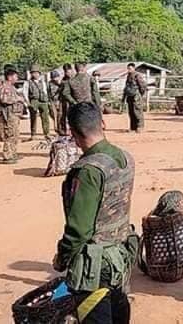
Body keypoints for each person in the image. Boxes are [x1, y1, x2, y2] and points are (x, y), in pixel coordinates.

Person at [53, 102, 137, 324]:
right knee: (119, 312)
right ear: (103, 123)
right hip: (120, 256)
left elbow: (79, 230)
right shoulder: (125, 157)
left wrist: (62, 257)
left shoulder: (88, 171)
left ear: (73, 134)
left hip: (95, 267)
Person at [0, 67, 25, 163]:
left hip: (14, 115)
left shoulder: (11, 87)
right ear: (10, 77)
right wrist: (18, 99)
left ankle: (13, 153)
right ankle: (7, 155)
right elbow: (4, 99)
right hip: (9, 115)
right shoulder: (5, 87)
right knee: (10, 134)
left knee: (15, 134)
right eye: (15, 76)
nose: (17, 78)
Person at [26, 65, 51, 141]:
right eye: (33, 73)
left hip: (43, 101)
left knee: (45, 118)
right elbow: (25, 93)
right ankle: (33, 134)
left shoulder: (43, 82)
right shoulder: (28, 82)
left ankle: (47, 134)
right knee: (33, 118)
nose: (35, 74)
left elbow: (46, 91)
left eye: (37, 73)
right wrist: (27, 103)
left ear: (39, 73)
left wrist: (47, 100)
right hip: (34, 100)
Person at [122, 63, 147, 133]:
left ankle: (140, 127)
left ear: (134, 68)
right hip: (129, 96)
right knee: (131, 112)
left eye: (130, 68)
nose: (129, 70)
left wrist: (140, 94)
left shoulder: (137, 75)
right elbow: (126, 87)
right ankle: (133, 127)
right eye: (128, 68)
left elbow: (142, 86)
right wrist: (124, 97)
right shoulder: (128, 76)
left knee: (137, 111)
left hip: (136, 96)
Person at [59, 64, 75, 135]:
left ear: (71, 70)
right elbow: (61, 91)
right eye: (66, 72)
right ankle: (64, 130)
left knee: (74, 115)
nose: (67, 73)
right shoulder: (63, 80)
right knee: (63, 115)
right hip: (65, 101)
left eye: (68, 71)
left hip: (73, 100)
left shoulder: (75, 78)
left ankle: (74, 131)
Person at [48, 70, 64, 135]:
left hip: (60, 101)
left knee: (61, 115)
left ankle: (60, 129)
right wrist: (49, 102)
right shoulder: (49, 83)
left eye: (56, 77)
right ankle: (57, 129)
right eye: (53, 77)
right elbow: (48, 93)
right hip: (53, 101)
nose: (55, 79)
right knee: (54, 116)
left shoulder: (62, 83)